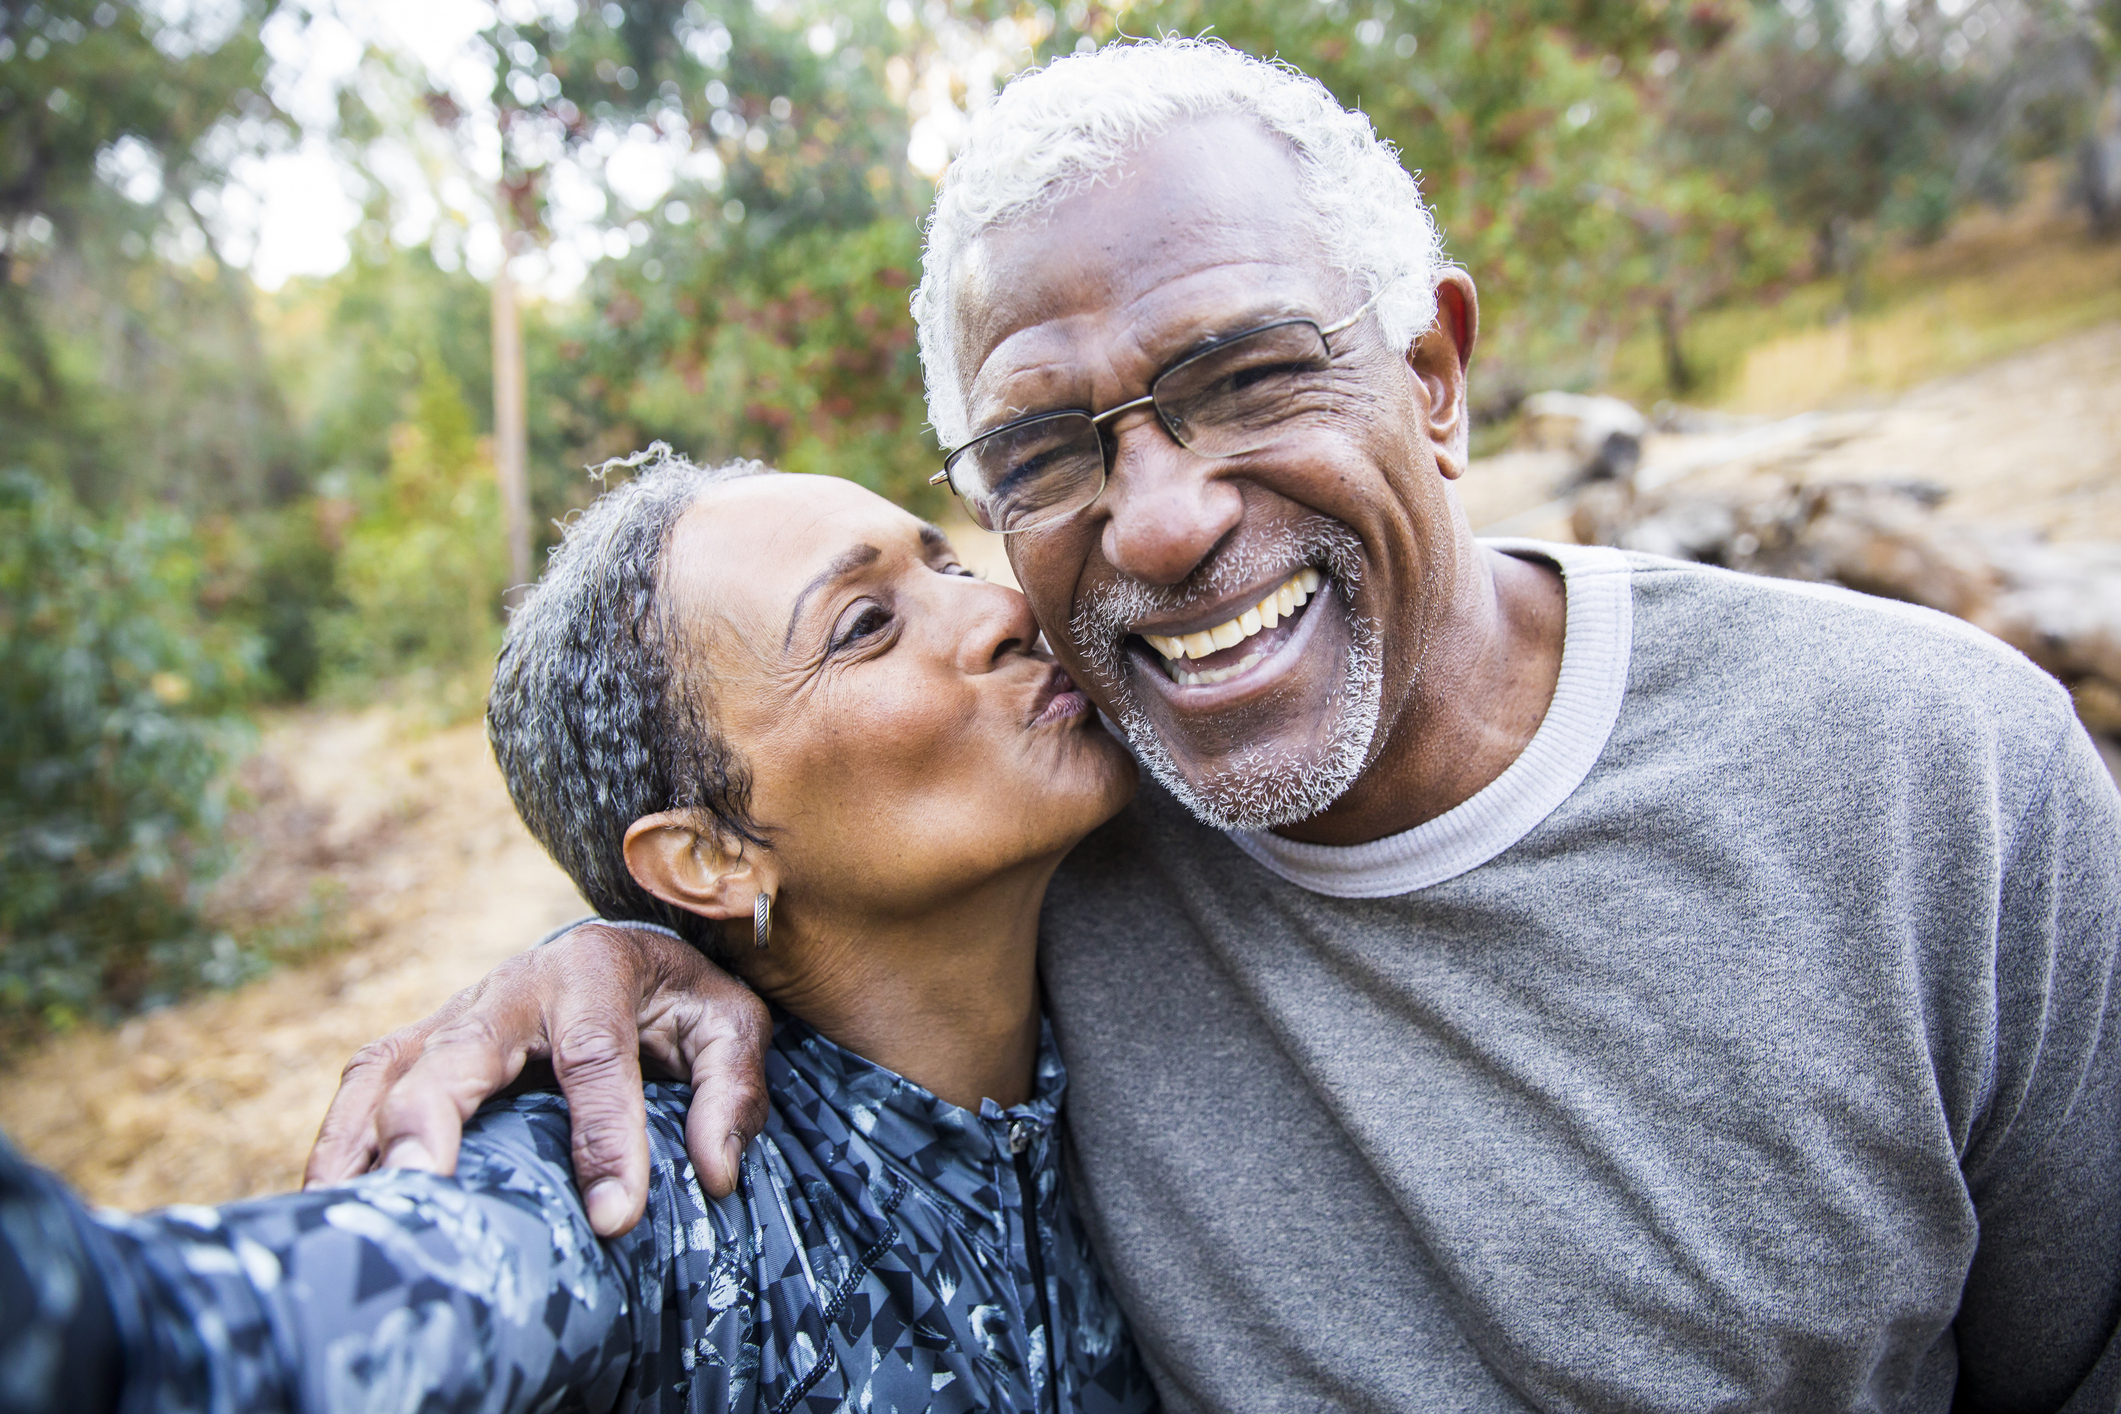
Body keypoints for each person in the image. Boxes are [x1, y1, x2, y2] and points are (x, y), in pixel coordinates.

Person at [306, 39, 2121, 1411]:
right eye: (1044, 450)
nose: (1158, 520)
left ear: (1434, 375)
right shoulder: (1057, 825)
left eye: (1249, 374)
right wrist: (604, 956)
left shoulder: (1933, 774)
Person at [0, 449, 1157, 1414]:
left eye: (949, 558)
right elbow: (178, 1340)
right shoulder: (648, 1196)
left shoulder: (1167, 930)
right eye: (865, 625)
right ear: (710, 855)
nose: (1007, 607)